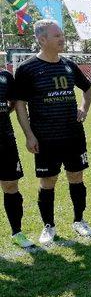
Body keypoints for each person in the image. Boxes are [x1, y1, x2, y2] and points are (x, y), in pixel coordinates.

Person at [14, 19, 91, 245]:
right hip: (46, 136)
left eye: (62, 35)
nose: (62, 39)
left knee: (76, 176)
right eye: (57, 35)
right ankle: (48, 225)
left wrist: (83, 108)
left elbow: (87, 88)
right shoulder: (27, 69)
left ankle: (79, 220)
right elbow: (20, 104)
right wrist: (29, 134)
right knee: (48, 181)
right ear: (42, 40)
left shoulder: (68, 64)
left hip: (73, 135)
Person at [0, 67, 30, 247]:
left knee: (11, 185)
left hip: (5, 140)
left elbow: (13, 102)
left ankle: (17, 232)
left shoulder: (5, 76)